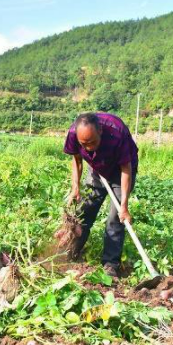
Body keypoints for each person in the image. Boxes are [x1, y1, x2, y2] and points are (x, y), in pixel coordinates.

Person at [64, 112, 139, 277]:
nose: (88, 147)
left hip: (121, 172)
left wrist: (124, 206)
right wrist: (75, 186)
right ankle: (70, 252)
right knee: (84, 211)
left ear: (100, 132)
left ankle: (111, 264)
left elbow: (126, 169)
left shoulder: (117, 134)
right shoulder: (73, 134)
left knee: (115, 218)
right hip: (96, 167)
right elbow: (76, 160)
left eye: (92, 142)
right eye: (84, 144)